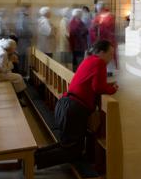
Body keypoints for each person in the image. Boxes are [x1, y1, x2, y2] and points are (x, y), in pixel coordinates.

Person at [34, 40, 118, 170]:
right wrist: (113, 89)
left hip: (66, 105)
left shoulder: (89, 60)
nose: (112, 57)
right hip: (74, 109)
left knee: (67, 145)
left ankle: (33, 157)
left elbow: (91, 83)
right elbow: (97, 87)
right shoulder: (99, 62)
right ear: (101, 52)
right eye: (110, 54)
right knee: (72, 151)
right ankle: (33, 159)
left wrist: (107, 86)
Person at [91, 3, 118, 70]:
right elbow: (93, 29)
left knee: (109, 56)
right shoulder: (98, 17)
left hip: (108, 41)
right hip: (102, 41)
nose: (98, 11)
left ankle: (110, 71)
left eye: (98, 9)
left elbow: (111, 28)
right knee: (103, 57)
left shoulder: (110, 16)